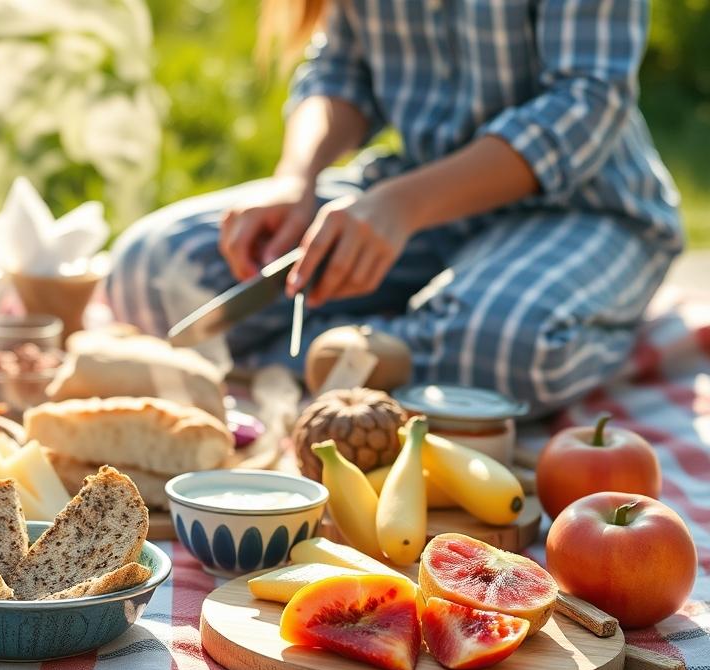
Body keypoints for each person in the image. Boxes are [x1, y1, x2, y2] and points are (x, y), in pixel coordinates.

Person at [107, 0, 683, 414]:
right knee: (149, 270)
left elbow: (587, 100)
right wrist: (295, 178)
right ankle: (410, 335)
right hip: (414, 198)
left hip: (582, 207)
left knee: (506, 345)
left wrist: (403, 206)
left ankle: (329, 350)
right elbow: (341, 72)